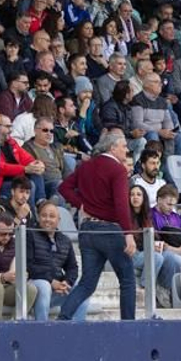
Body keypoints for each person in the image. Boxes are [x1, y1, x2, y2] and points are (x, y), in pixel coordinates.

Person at [56, 130, 138, 321]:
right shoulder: (117, 169)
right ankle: (129, 326)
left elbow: (64, 187)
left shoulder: (86, 166)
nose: (127, 149)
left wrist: (82, 205)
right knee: (127, 279)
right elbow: (121, 204)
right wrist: (128, 233)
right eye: (124, 146)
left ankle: (63, 319)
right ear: (113, 147)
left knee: (87, 283)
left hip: (87, 230)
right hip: (109, 230)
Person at [26, 200, 85, 321]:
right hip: (34, 286)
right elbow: (28, 265)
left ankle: (75, 331)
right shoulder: (30, 235)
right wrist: (51, 281)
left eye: (52, 216)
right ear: (38, 217)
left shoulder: (65, 240)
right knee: (45, 285)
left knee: (81, 292)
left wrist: (67, 282)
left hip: (57, 286)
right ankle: (42, 328)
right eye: (44, 215)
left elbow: (72, 267)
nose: (47, 219)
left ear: (58, 220)